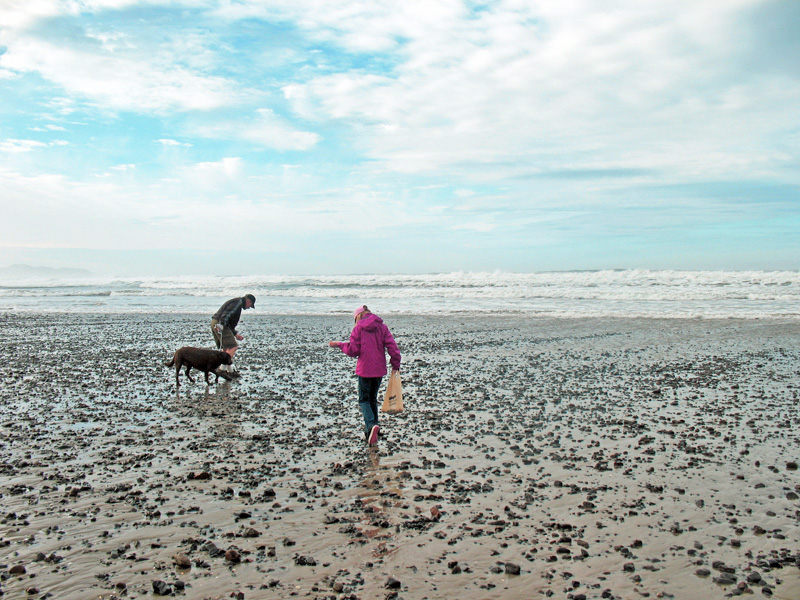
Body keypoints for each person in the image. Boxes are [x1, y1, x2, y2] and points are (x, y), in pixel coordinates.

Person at [329, 305, 401, 447]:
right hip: (379, 370)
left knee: (363, 400)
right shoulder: (382, 327)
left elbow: (353, 350)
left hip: (364, 370)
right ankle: (375, 428)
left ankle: (370, 426)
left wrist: (340, 345)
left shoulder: (358, 328)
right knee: (372, 399)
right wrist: (395, 363)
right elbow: (392, 346)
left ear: (358, 316)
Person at [211, 294, 255, 377]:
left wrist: (235, 334)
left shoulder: (238, 303)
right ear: (248, 301)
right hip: (220, 323)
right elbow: (226, 315)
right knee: (233, 347)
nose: (249, 307)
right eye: (250, 305)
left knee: (226, 349)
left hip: (217, 322)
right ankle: (222, 369)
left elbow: (229, 321)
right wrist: (220, 326)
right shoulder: (237, 303)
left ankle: (230, 371)